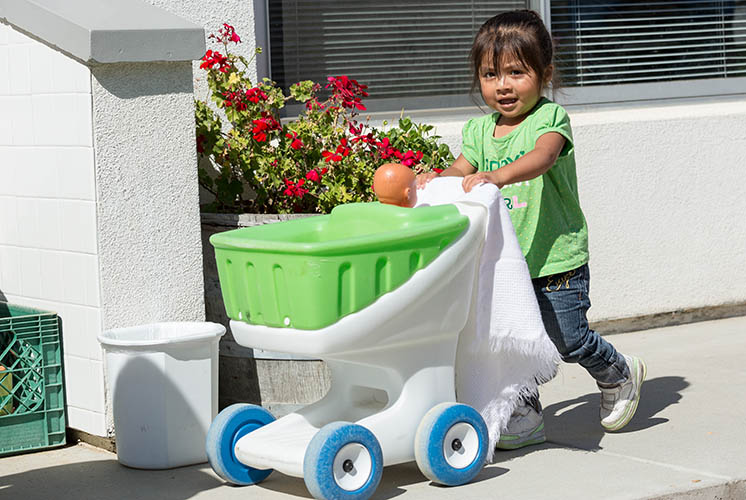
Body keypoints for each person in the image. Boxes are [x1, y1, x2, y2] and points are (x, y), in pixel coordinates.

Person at [416, 9, 646, 450]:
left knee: (567, 339)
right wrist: (435, 180)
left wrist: (498, 176)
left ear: (544, 74)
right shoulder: (479, 131)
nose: (502, 85)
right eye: (489, 74)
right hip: (509, 261)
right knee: (512, 338)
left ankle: (619, 373)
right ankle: (525, 414)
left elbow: (542, 157)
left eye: (516, 73)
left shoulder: (550, 121)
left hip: (556, 256)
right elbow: (461, 169)